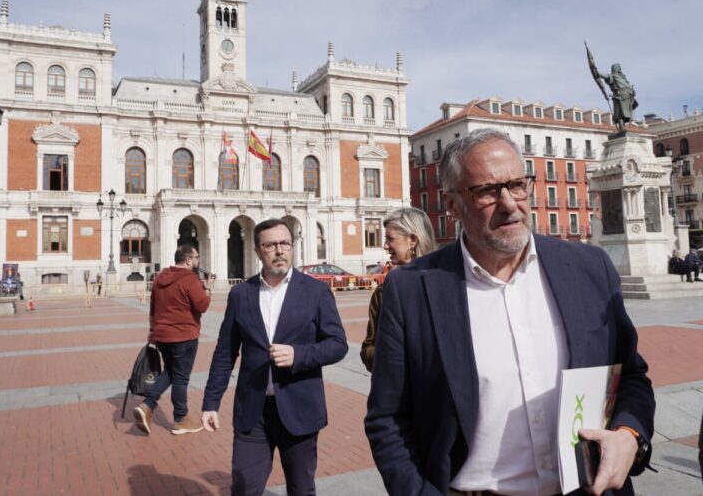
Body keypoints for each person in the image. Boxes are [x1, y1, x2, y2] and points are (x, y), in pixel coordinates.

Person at [365, 128, 655, 496]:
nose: (508, 203)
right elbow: (387, 419)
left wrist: (630, 435)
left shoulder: (588, 268)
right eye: (486, 191)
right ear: (452, 204)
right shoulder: (411, 290)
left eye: (518, 184)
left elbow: (631, 375)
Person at [201, 218, 348, 495]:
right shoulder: (241, 294)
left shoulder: (316, 291)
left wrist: (299, 355)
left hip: (299, 407)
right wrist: (211, 402)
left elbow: (338, 344)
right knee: (244, 486)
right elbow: (225, 352)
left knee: (301, 488)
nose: (279, 250)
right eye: (271, 245)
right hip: (253, 410)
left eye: (285, 243)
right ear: (258, 250)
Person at [133, 244, 212, 435]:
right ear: (188, 260)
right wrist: (208, 289)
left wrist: (152, 331)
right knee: (181, 378)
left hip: (161, 335)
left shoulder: (160, 278)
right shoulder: (189, 279)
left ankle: (147, 405)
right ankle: (181, 418)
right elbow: (202, 306)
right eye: (196, 257)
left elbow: (153, 308)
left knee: (170, 371)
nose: (197, 261)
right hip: (184, 335)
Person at [360, 207, 435, 372]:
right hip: (397, 393)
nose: (385, 246)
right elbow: (368, 350)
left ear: (412, 240)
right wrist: (394, 357)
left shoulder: (445, 286)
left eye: (390, 239)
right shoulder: (383, 292)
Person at [598, 63, 638, 132]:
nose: (613, 69)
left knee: (625, 114)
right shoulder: (612, 76)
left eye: (615, 68)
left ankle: (623, 127)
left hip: (627, 97)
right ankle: (621, 128)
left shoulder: (623, 77)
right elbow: (605, 76)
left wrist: (632, 92)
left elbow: (627, 86)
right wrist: (596, 71)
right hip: (619, 96)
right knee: (619, 113)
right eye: (613, 68)